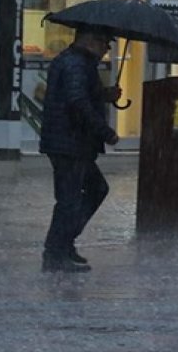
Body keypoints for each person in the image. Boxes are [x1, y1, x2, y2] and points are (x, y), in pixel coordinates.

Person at [40, 28, 121, 273]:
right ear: (89, 40)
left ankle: (63, 244)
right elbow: (77, 102)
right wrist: (104, 131)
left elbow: (81, 96)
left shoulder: (79, 62)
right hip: (69, 142)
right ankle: (56, 252)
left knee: (94, 190)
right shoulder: (75, 63)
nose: (107, 48)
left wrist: (105, 95)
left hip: (72, 142)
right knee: (69, 200)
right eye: (105, 42)